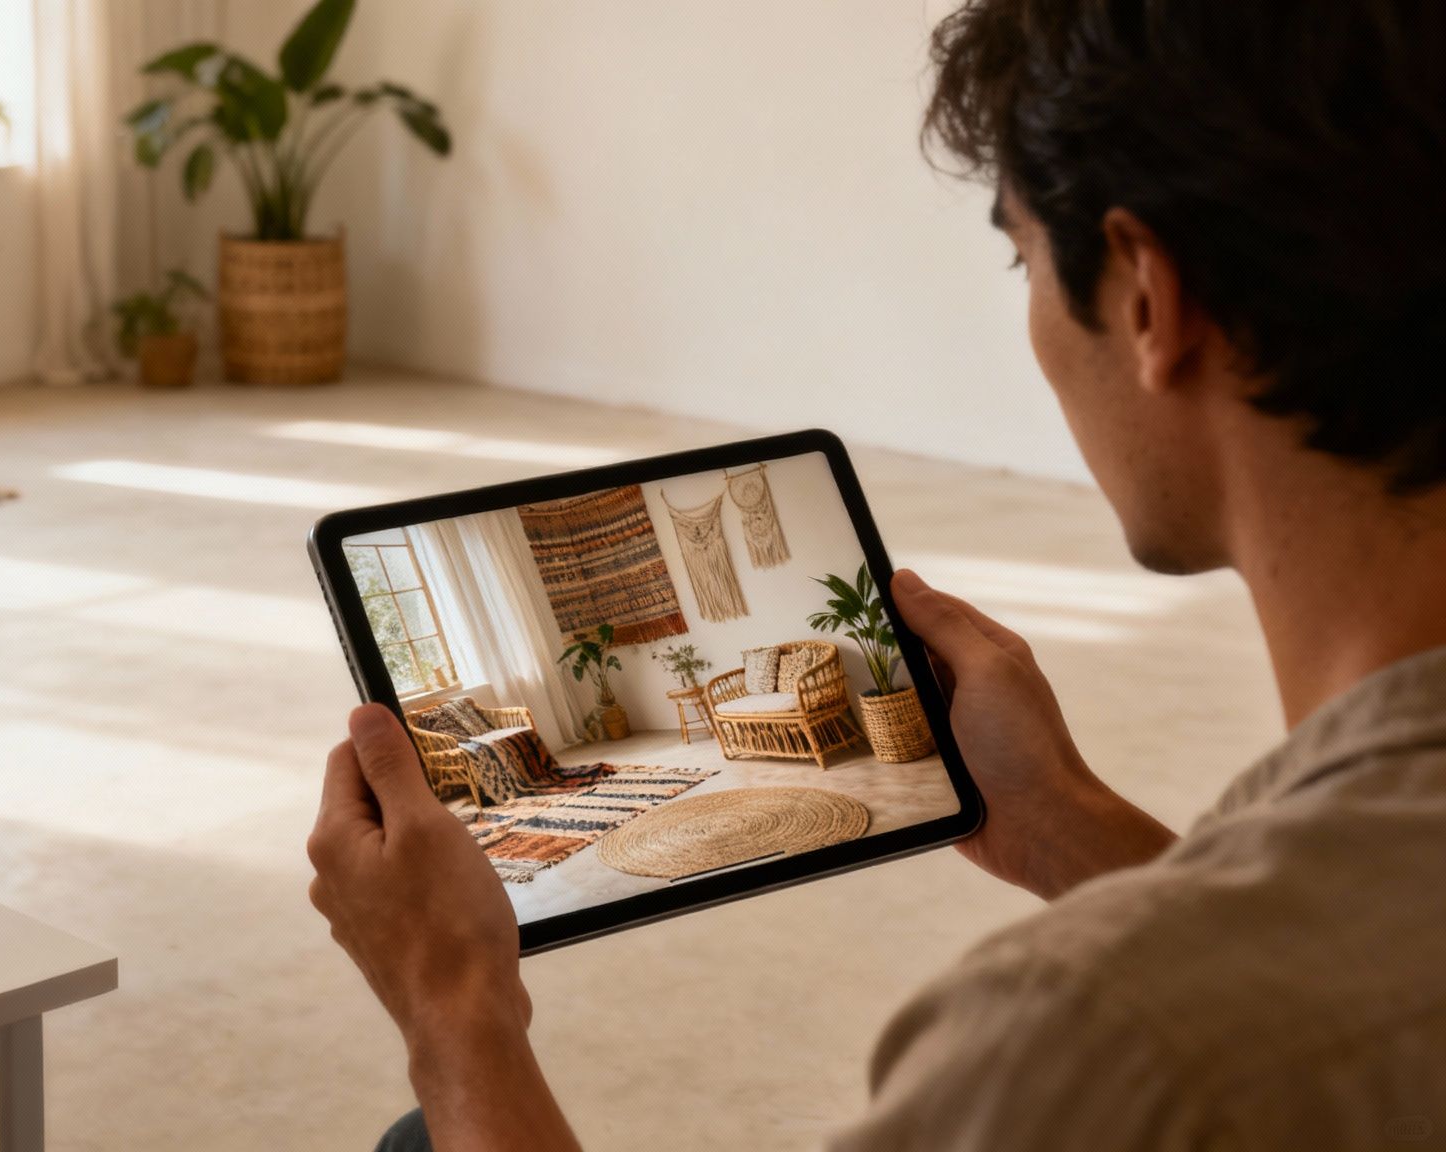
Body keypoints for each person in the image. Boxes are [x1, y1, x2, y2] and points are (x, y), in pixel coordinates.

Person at [307, 0, 1446, 1147]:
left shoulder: (1095, 1041)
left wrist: (454, 1013)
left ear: (1147, 298)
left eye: (1022, 257)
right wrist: (1061, 821)